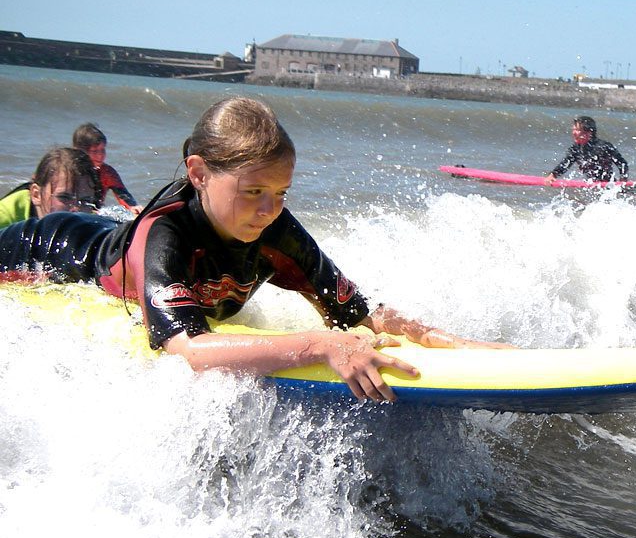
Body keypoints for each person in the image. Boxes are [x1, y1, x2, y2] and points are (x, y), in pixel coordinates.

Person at [0, 97, 506, 402]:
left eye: (281, 192)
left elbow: (361, 313)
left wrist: (459, 344)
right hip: (49, 249)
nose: (270, 210)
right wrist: (320, 345)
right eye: (254, 191)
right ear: (198, 173)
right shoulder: (166, 234)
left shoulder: (275, 230)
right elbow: (188, 350)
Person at [0, 147, 100, 229]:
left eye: (85, 201)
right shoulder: (4, 219)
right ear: (36, 195)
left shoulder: (91, 220)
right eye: (64, 197)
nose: (76, 210)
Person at [72, 122, 143, 214]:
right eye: (95, 151)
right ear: (80, 151)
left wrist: (133, 207)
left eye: (102, 150)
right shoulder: (70, 171)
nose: (100, 155)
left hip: (96, 216)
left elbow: (124, 196)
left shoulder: (106, 173)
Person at [545, 115, 629, 183]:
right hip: (590, 185)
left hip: (608, 185)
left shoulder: (604, 147)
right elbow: (566, 163)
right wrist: (553, 175)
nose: (574, 133)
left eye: (577, 130)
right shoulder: (576, 149)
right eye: (573, 129)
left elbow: (622, 163)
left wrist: (623, 179)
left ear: (589, 132)